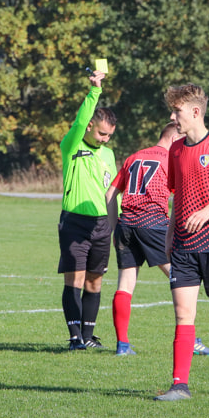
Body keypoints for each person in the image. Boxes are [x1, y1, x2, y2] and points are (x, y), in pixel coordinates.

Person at [155, 83, 209, 401]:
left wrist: (206, 211)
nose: (172, 116)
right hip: (183, 246)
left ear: (194, 112)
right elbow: (176, 196)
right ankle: (179, 385)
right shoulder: (175, 151)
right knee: (183, 314)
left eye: (176, 111)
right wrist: (168, 233)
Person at [105, 124, 209, 357]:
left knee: (125, 286)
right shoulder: (172, 158)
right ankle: (192, 340)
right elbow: (179, 196)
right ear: (175, 137)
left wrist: (115, 228)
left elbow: (109, 194)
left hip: (127, 224)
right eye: (184, 138)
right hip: (154, 224)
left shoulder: (134, 157)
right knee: (184, 279)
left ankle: (122, 345)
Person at [58, 69, 117, 350]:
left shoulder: (109, 154)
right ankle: (74, 338)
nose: (105, 139)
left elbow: (112, 192)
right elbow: (80, 121)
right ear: (91, 126)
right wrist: (95, 91)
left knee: (95, 282)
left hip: (102, 224)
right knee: (76, 280)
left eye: (109, 136)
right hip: (74, 222)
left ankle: (88, 337)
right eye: (102, 133)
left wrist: (114, 225)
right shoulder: (71, 145)